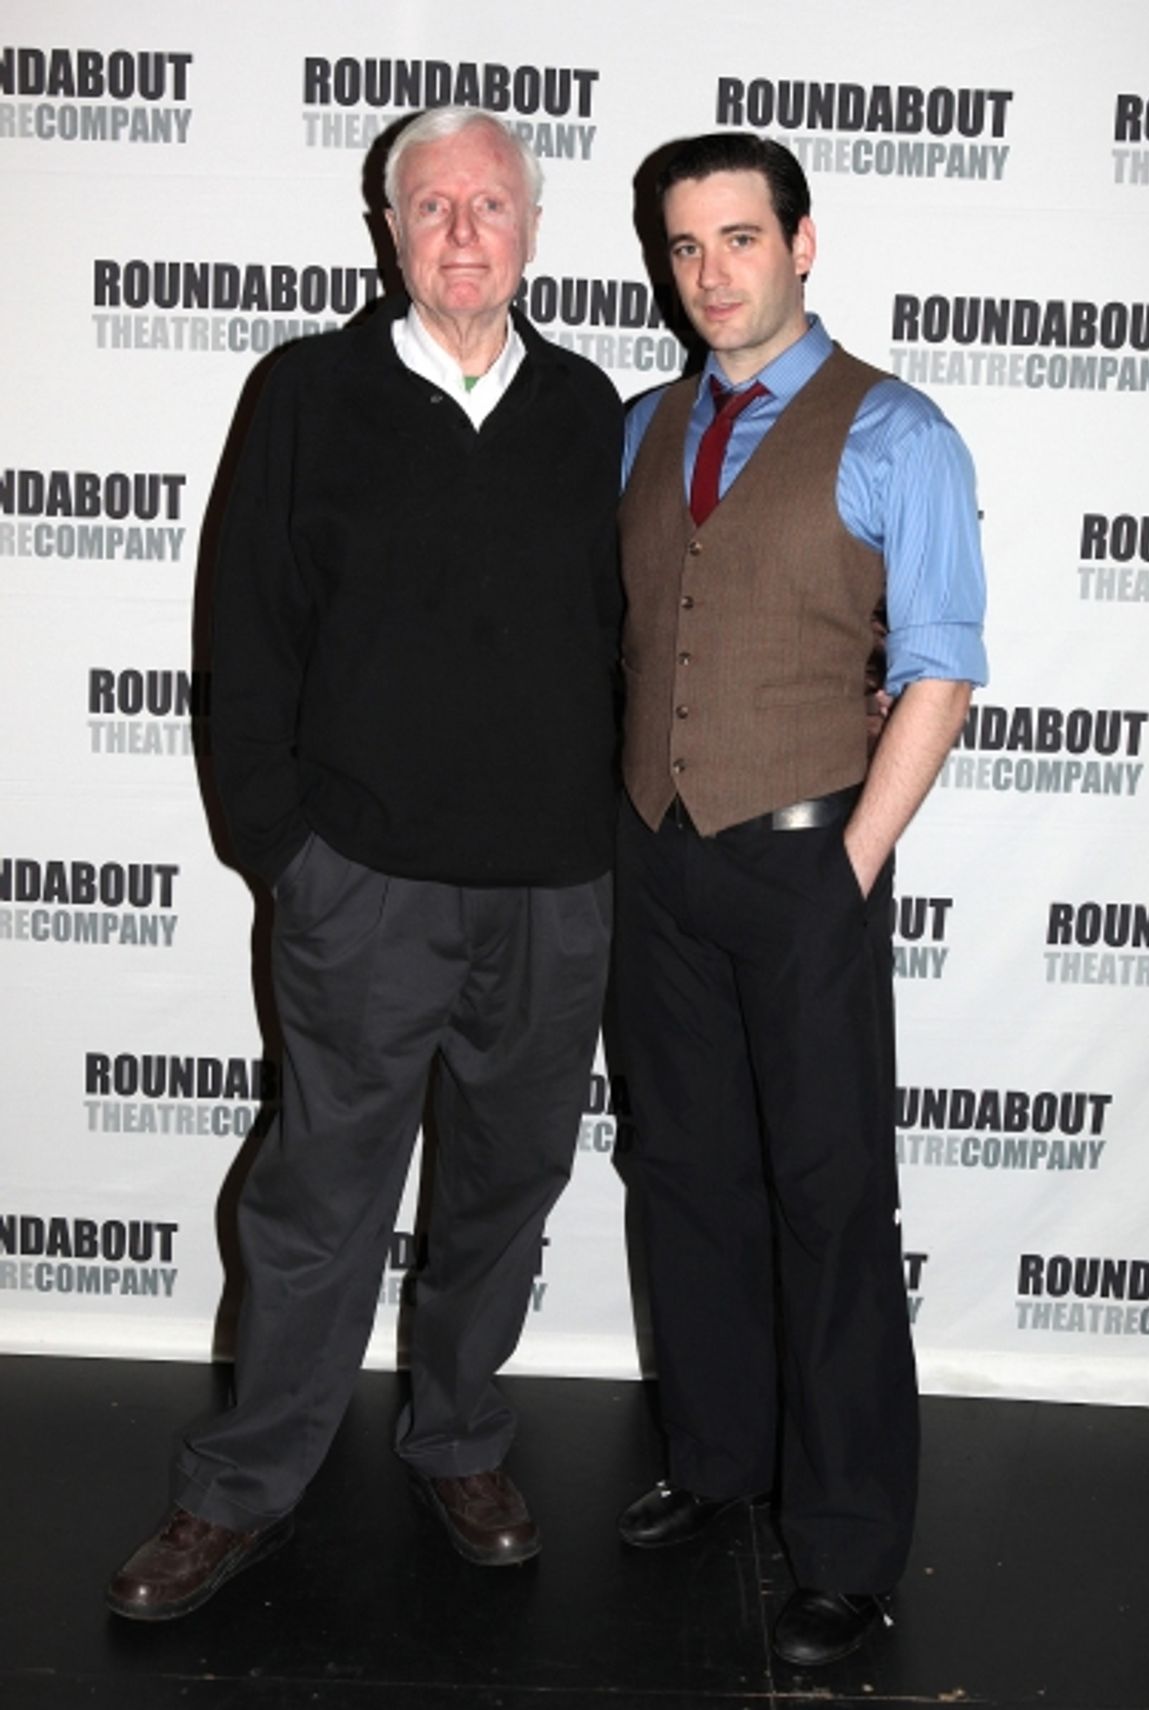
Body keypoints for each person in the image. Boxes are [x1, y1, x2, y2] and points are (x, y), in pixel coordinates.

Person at [106, 107, 623, 1620]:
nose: (464, 231)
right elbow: (243, 636)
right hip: (365, 889)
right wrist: (287, 850)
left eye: (491, 206)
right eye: (433, 206)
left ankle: (457, 1436)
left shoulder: (599, 412)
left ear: (532, 231)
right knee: (322, 1199)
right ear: (387, 230)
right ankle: (240, 1487)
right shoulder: (307, 394)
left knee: (505, 1190)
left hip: (556, 888)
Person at [613, 133, 987, 1668]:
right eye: (686, 245)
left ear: (803, 243)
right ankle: (715, 1464)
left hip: (805, 856)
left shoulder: (898, 430)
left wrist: (845, 865)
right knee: (685, 1176)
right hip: (656, 856)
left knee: (831, 1207)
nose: (711, 272)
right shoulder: (637, 428)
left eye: (739, 239)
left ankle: (843, 1546)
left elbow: (941, 667)